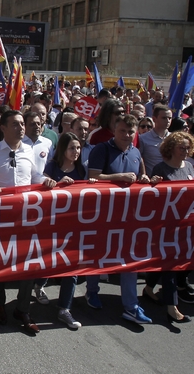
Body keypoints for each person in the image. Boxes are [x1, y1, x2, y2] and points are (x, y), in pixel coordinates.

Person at [0, 110, 56, 334]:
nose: (21, 128)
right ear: (3, 128)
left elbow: (35, 176)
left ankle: (22, 309)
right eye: (16, 124)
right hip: (0, 218)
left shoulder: (29, 150)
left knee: (28, 265)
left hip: (27, 218)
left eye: (22, 124)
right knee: (0, 263)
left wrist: (45, 180)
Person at [86, 114, 153, 324]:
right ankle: (91, 291)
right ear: (115, 130)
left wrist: (143, 179)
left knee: (129, 258)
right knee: (99, 254)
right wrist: (120, 178)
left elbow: (142, 177)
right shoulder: (102, 149)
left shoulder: (135, 152)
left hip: (129, 216)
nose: (126, 135)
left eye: (130, 132)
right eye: (122, 131)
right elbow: (93, 176)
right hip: (104, 215)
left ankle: (131, 306)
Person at [39, 132, 89, 329]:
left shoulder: (81, 170)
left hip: (74, 225)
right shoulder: (51, 167)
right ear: (62, 149)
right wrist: (56, 184)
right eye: (71, 148)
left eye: (78, 148)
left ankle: (64, 309)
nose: (76, 152)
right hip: (52, 224)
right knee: (50, 261)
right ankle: (39, 284)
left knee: (71, 266)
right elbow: (41, 189)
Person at [143, 131, 194, 322]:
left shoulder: (189, 167)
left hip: (185, 225)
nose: (186, 151)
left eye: (188, 147)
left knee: (170, 262)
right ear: (171, 148)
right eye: (182, 147)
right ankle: (172, 306)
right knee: (170, 262)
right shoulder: (161, 169)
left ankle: (148, 288)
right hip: (166, 226)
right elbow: (152, 199)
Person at [139, 104, 171, 175]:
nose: (167, 121)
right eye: (164, 118)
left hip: (171, 181)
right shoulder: (143, 138)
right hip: (152, 181)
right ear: (154, 119)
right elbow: (139, 160)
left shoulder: (174, 138)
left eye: (169, 118)